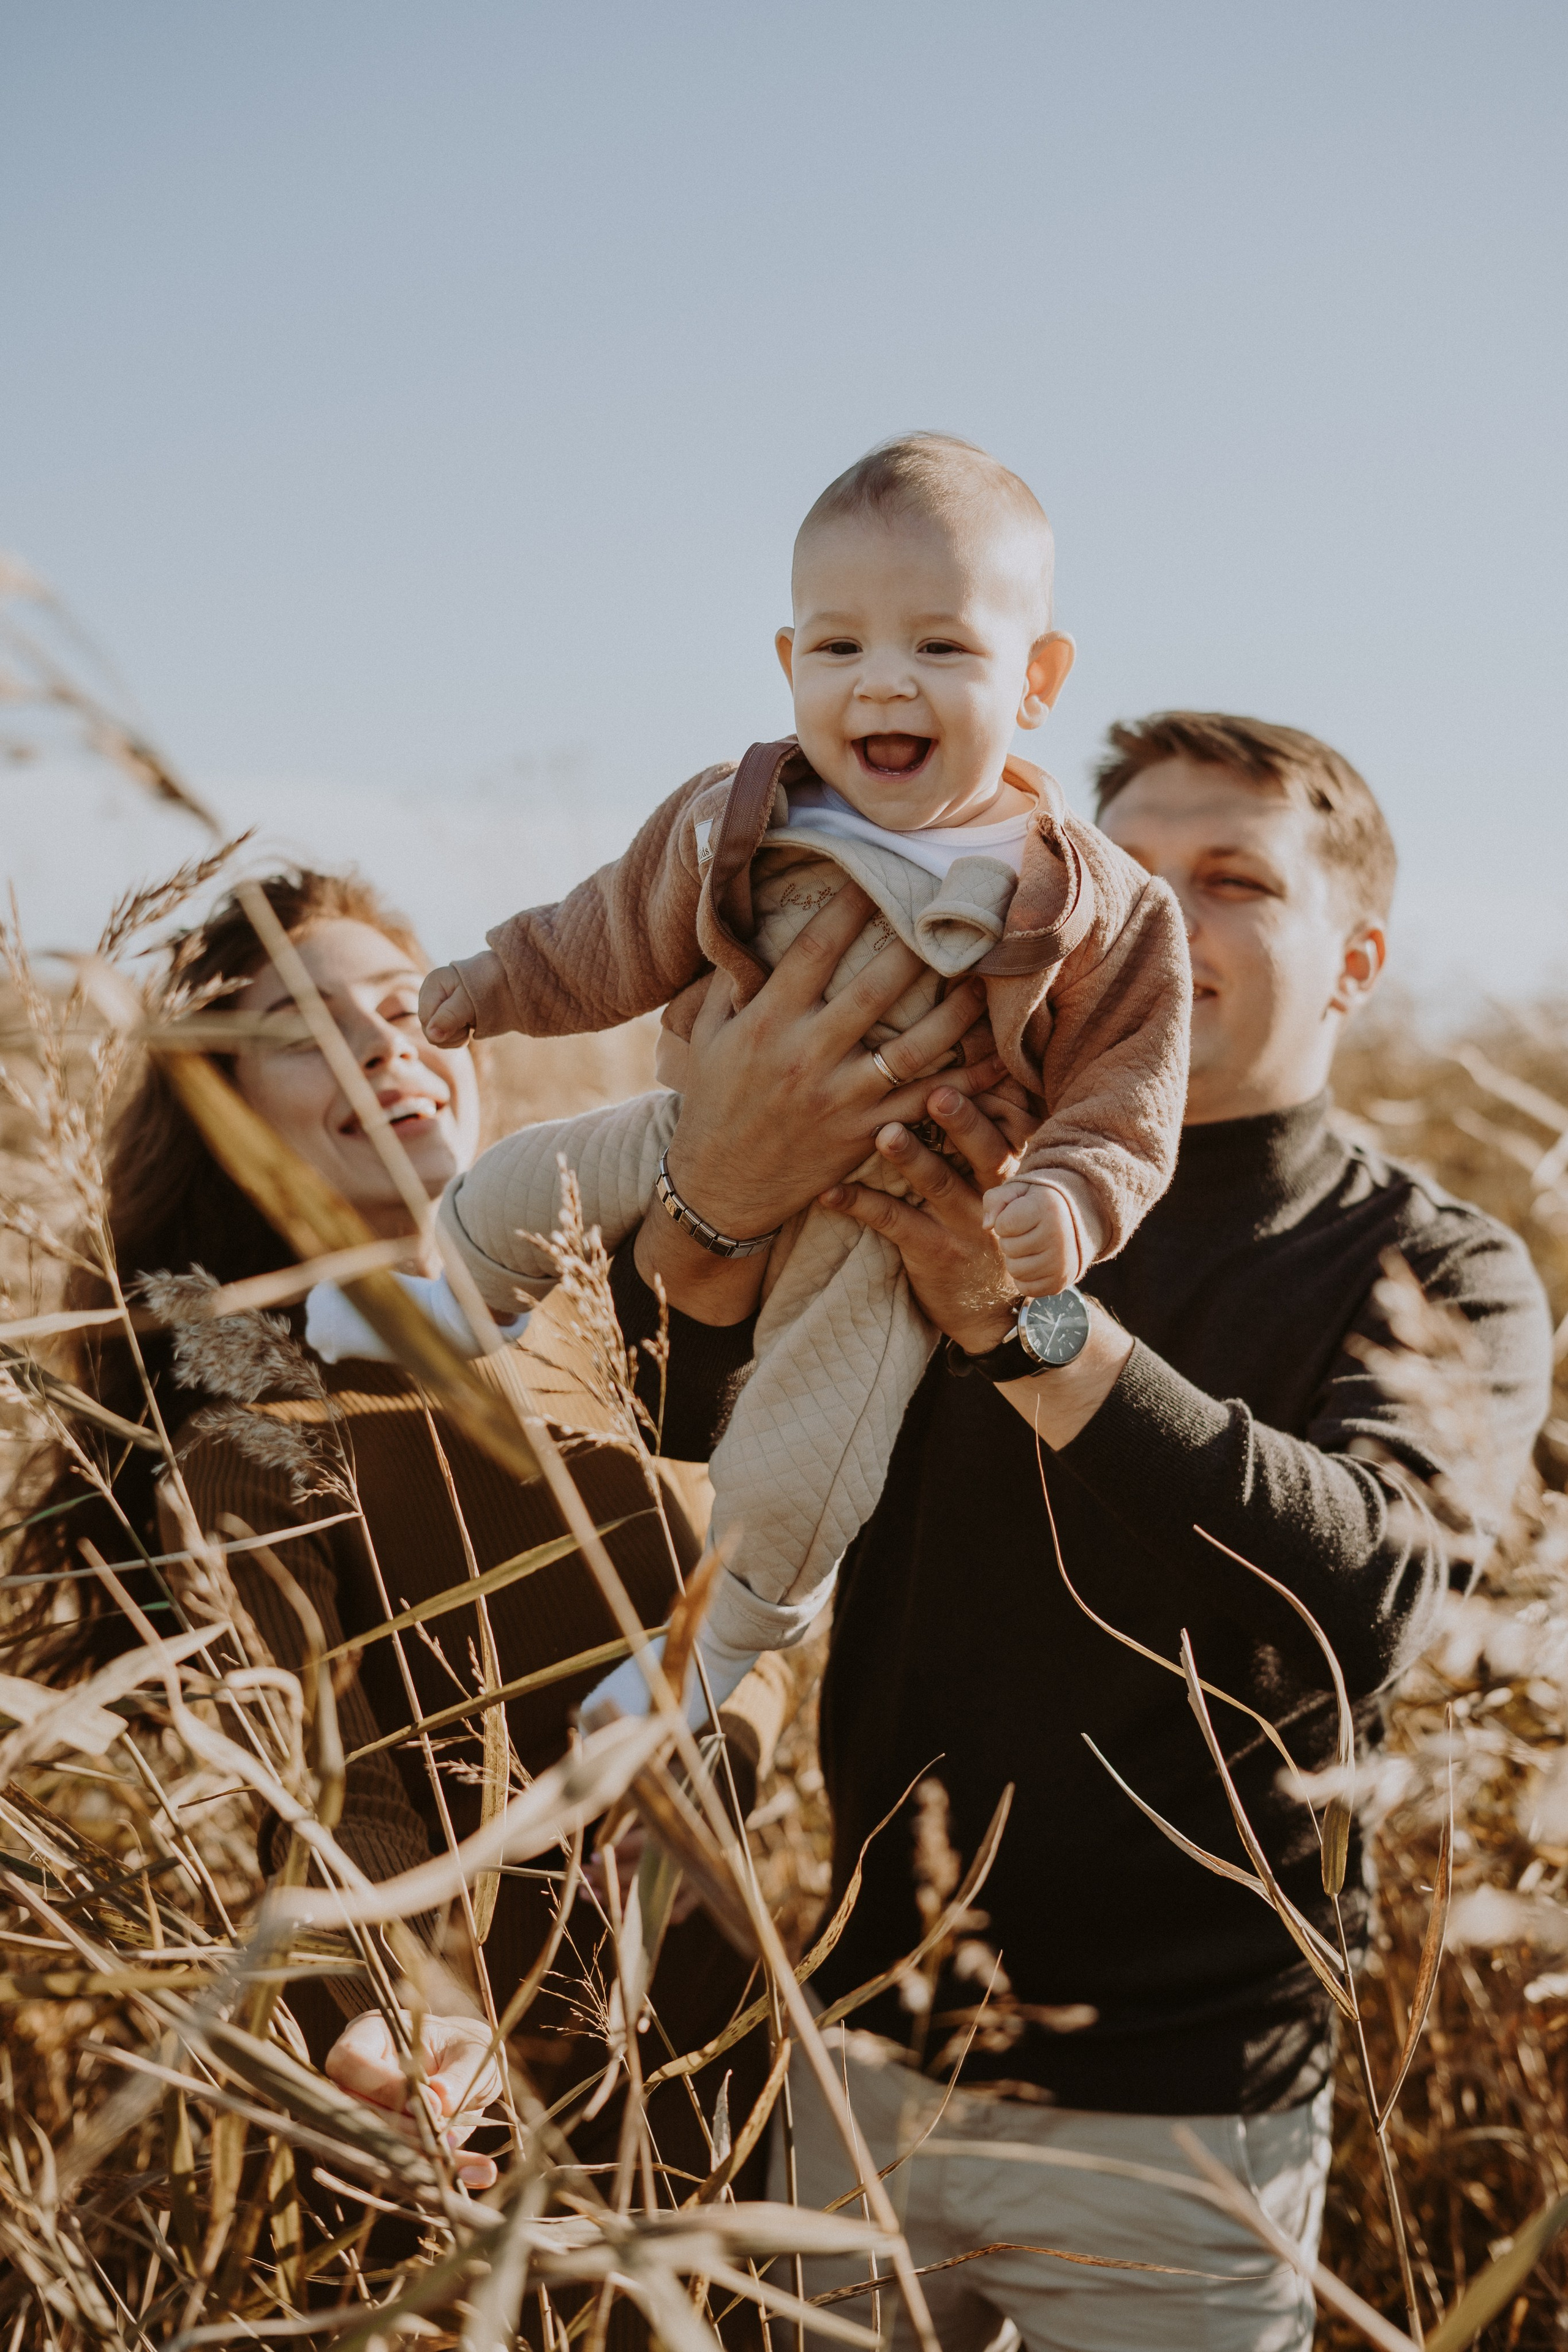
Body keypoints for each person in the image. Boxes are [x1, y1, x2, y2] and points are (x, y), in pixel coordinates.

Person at [598, 713, 1553, 2348]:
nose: (1169, 917)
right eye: (1129, 873)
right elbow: (685, 1432)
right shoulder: (935, 1153)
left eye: (1236, 879)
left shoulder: (1428, 1265)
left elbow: (1381, 1597)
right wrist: (711, 1200)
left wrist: (1032, 1327)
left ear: (1357, 959)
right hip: (866, 2055)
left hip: (1189, 2123)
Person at [7, 866, 790, 2205]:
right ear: (230, 1120)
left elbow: (756, 1608)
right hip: (494, 2111)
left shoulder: (615, 1336)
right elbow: (330, 1787)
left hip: (738, 2070)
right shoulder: (258, 1439)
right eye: (306, 1032)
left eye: (399, 1005)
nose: (380, 1042)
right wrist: (415, 2011)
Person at [421, 434, 1190, 1717]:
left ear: (1037, 679)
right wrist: (501, 981)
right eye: (838, 648)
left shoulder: (1083, 894)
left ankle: (718, 1649)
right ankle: (435, 1314)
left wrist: (1064, 1201)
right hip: (695, 1128)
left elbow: (1126, 1083)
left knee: (807, 1454)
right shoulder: (741, 812)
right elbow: (612, 930)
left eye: (939, 648)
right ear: (787, 666)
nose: (882, 683)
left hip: (887, 1217)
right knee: (521, 1180)